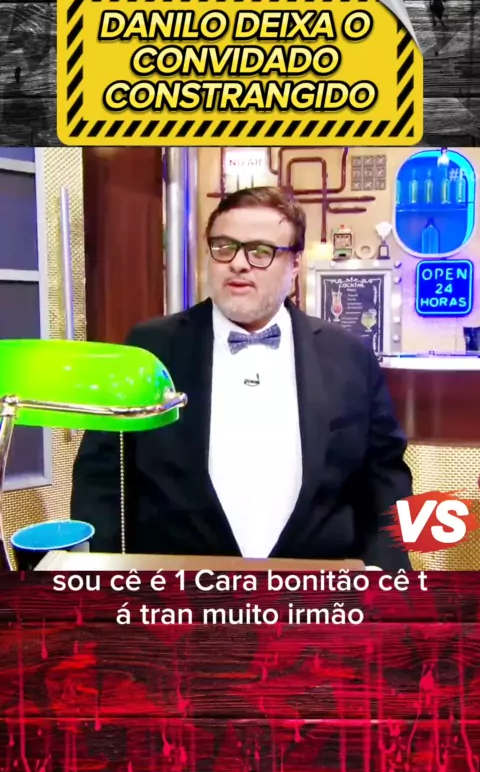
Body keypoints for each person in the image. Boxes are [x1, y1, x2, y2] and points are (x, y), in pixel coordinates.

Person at [71, 186, 412, 569]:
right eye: (225, 247)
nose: (238, 263)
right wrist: (100, 580)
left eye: (260, 251)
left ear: (295, 265)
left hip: (315, 587)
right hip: (179, 588)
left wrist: (388, 580)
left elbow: (385, 478)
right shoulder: (149, 348)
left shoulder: (349, 356)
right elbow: (102, 478)